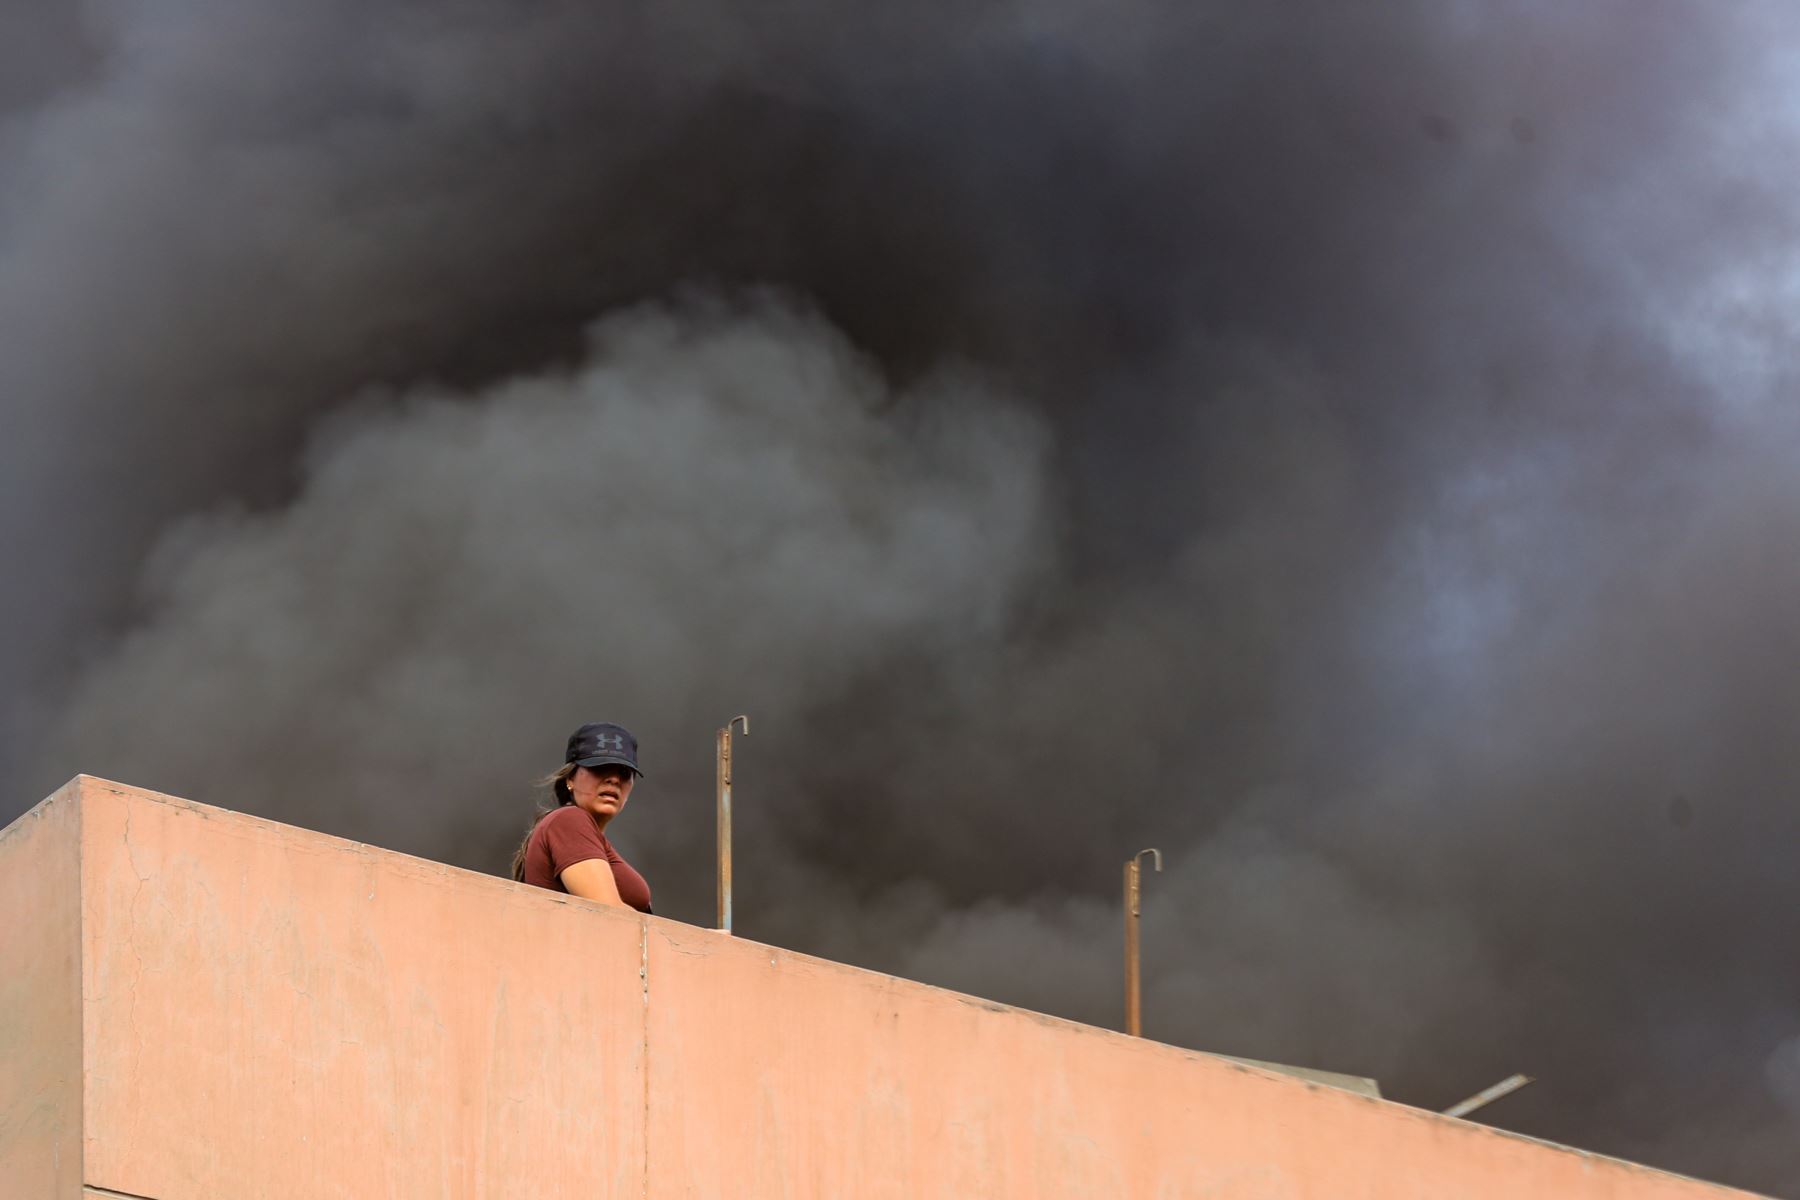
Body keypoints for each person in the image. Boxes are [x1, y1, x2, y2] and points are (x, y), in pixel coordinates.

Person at [511, 721, 653, 912]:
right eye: (600, 767)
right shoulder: (569, 820)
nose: (614, 779)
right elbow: (610, 914)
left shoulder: (579, 830)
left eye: (624, 773)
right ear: (570, 778)